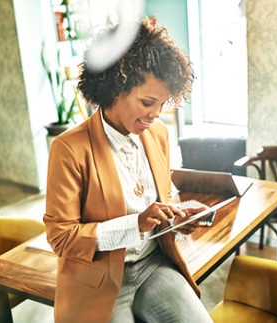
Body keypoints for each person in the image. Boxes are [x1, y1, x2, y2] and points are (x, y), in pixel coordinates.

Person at [43, 18, 213, 323]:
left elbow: (165, 198)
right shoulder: (69, 149)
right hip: (100, 279)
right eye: (148, 102)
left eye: (162, 103)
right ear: (115, 88)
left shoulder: (158, 134)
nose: (157, 114)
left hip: (153, 264)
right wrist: (136, 224)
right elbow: (61, 238)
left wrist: (178, 215)